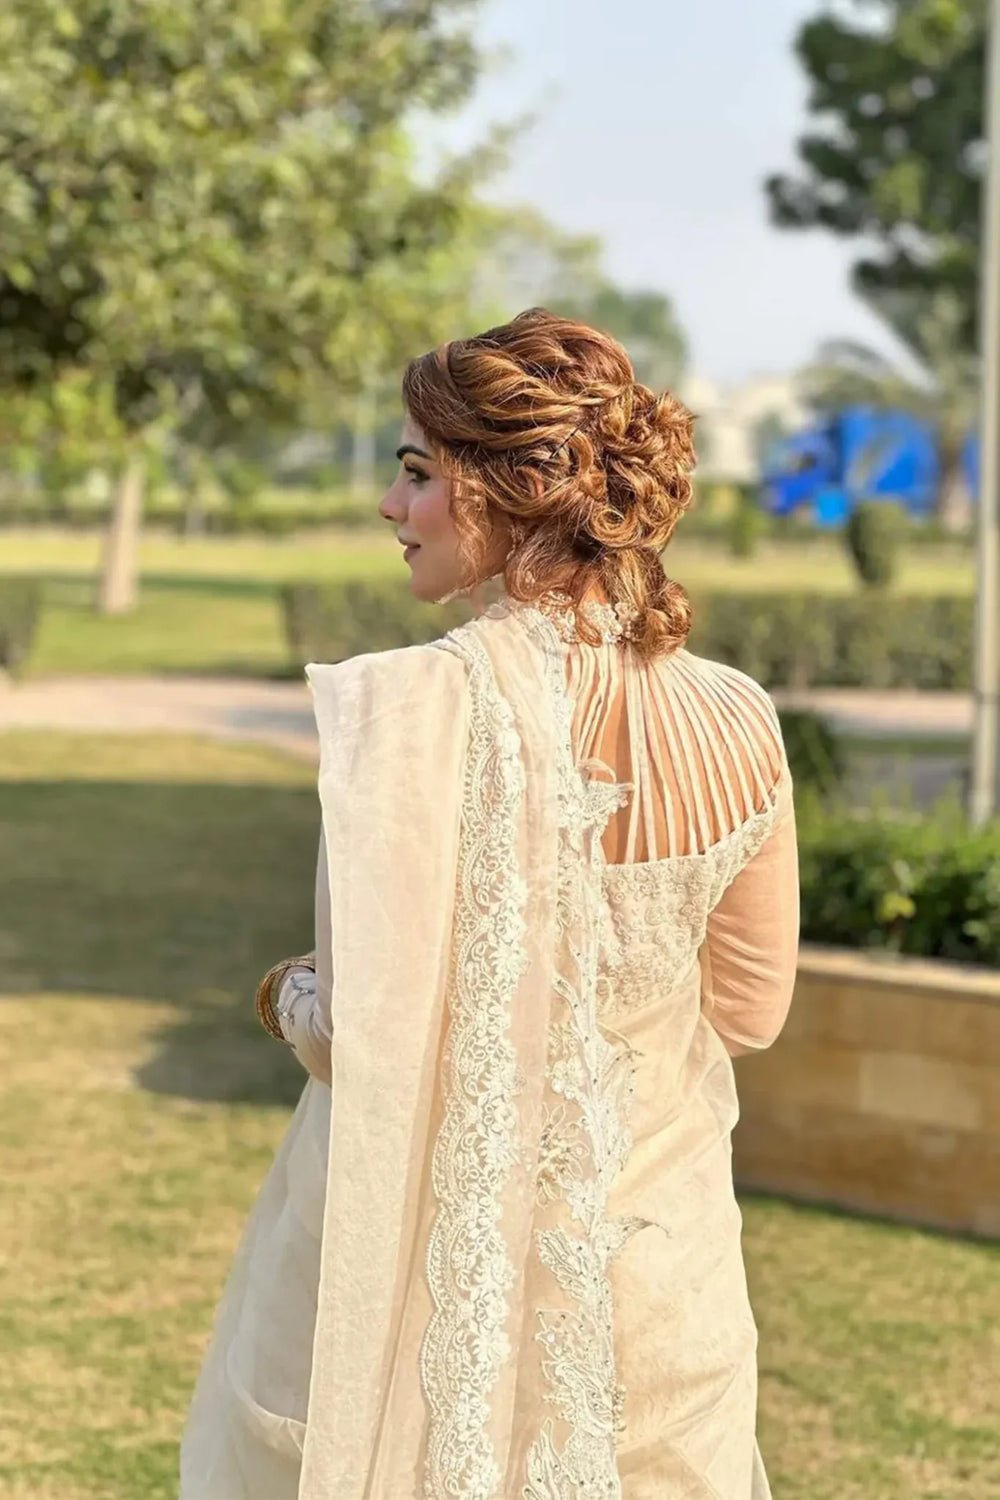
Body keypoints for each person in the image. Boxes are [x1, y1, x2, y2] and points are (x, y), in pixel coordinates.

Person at [179, 307, 799, 1499]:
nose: (390, 505)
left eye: (417, 473)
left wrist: (282, 992)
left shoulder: (406, 713)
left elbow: (350, 1038)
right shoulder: (738, 716)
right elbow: (750, 1013)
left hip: (421, 1283)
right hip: (653, 1279)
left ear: (508, 490)